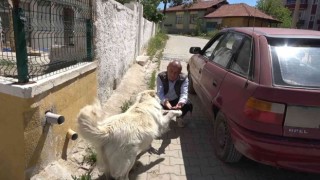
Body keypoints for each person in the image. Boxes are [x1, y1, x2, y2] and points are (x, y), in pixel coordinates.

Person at [156, 60, 193, 127]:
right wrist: (165, 102)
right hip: (164, 101)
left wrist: (180, 103)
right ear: (167, 68)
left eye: (176, 73)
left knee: (188, 103)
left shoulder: (184, 78)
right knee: (154, 104)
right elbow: (159, 93)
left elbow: (184, 93)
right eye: (171, 71)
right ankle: (160, 119)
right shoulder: (160, 76)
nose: (173, 74)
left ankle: (179, 117)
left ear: (179, 73)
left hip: (176, 101)